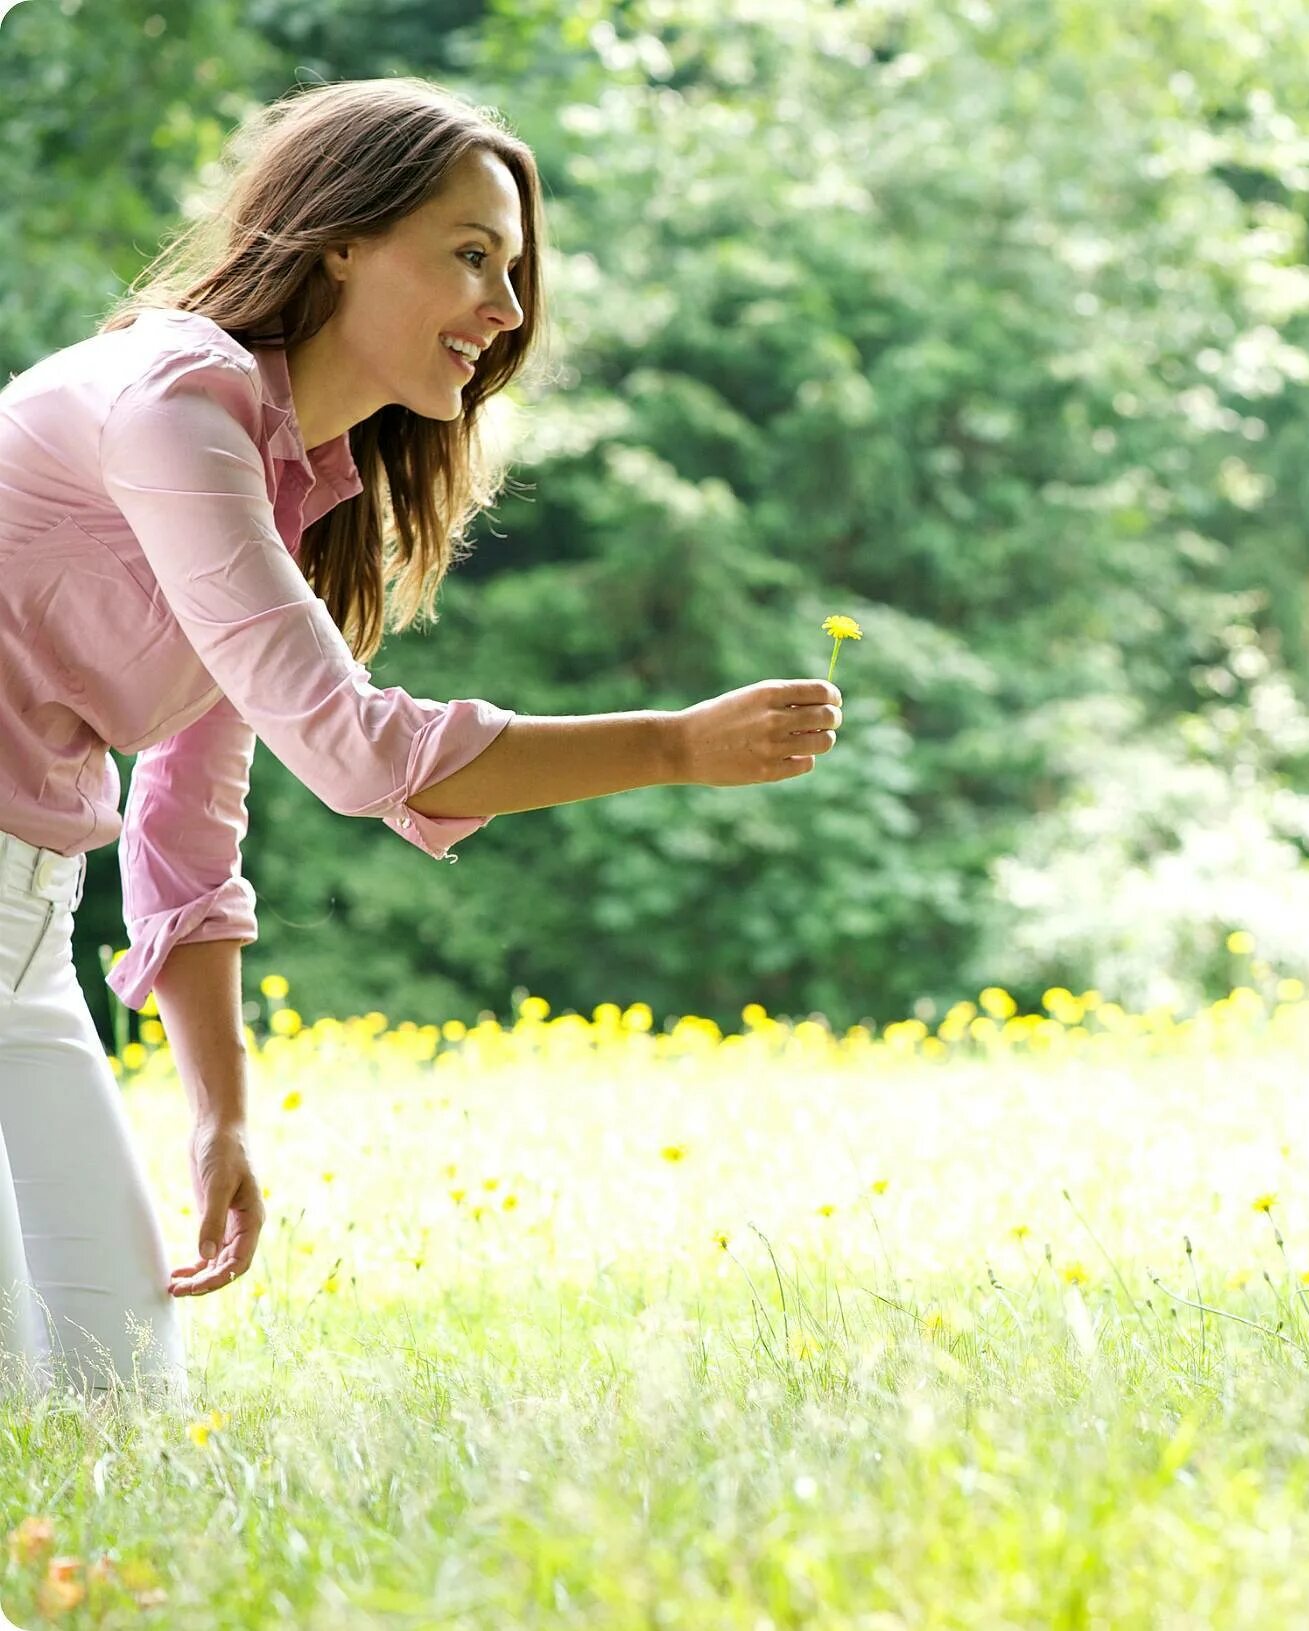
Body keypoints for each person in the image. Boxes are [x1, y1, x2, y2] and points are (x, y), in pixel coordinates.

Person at [0, 79, 844, 1395]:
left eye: (512, 271)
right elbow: (351, 747)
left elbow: (182, 828)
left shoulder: (276, 485)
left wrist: (218, 1113)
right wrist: (671, 746)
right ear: (342, 236)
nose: (505, 311)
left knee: (117, 1392)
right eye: (470, 256)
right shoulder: (177, 399)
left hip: (26, 934)